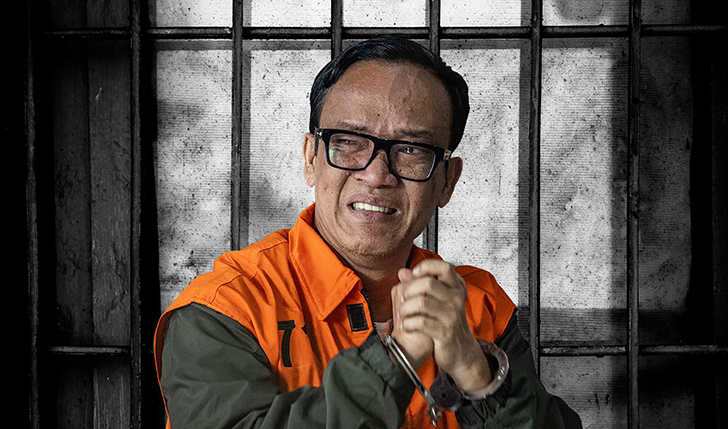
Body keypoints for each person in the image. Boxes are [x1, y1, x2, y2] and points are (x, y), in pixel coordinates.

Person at [153, 35, 582, 428]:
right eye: (349, 141)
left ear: (447, 180)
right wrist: (396, 359)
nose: (376, 175)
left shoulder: (478, 305)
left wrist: (475, 370)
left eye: (411, 149)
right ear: (311, 158)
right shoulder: (226, 308)